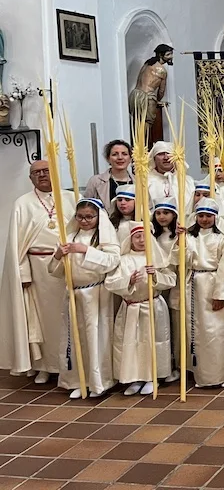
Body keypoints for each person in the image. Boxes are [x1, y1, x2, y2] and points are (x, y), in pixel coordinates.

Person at [0, 161, 78, 382]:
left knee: (69, 318)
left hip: (68, 268)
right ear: (30, 178)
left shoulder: (71, 198)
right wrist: (22, 273)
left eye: (46, 171)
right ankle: (45, 365)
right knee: (41, 319)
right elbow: (17, 244)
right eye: (36, 173)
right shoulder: (22, 204)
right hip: (38, 271)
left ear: (55, 173)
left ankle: (70, 364)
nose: (42, 175)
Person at [49, 198, 121, 399]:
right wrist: (57, 255)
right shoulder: (69, 236)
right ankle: (78, 379)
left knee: (96, 337)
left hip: (96, 293)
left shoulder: (104, 238)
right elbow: (54, 271)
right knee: (76, 337)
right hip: (74, 293)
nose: (85, 220)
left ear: (99, 217)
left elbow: (113, 261)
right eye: (80, 217)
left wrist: (86, 251)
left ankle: (99, 381)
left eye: (89, 217)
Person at [107, 221, 175, 396]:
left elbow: (170, 280)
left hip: (152, 305)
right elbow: (111, 282)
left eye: (145, 237)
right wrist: (128, 282)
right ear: (130, 239)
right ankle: (134, 377)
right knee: (132, 344)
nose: (141, 241)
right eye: (137, 237)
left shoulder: (157, 258)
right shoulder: (123, 260)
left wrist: (156, 276)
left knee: (153, 343)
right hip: (131, 307)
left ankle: (153, 377)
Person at [182, 199, 224, 388]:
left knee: (216, 331)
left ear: (215, 217)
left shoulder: (222, 239)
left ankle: (221, 374)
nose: (204, 220)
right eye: (201, 216)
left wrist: (220, 294)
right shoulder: (189, 237)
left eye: (208, 216)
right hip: (194, 284)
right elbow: (180, 260)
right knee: (197, 331)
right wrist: (180, 243)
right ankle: (202, 375)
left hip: (213, 283)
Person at [151, 197, 183, 384]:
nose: (162, 217)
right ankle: (161, 365)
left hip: (175, 283)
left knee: (174, 325)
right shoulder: (152, 235)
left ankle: (176, 362)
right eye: (159, 213)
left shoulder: (178, 236)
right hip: (156, 284)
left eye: (166, 213)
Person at [129, 44, 173, 144]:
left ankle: (136, 150)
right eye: (168, 54)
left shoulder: (147, 64)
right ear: (161, 55)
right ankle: (143, 152)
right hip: (146, 97)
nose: (171, 57)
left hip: (135, 95)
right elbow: (161, 91)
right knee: (146, 128)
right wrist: (157, 100)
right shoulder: (161, 70)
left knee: (136, 125)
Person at [84, 139, 134, 210]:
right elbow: (86, 207)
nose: (120, 157)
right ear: (108, 159)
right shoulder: (95, 181)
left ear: (130, 158)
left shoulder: (138, 182)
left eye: (124, 154)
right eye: (115, 154)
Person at [148, 141, 195, 209]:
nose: (166, 157)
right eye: (160, 154)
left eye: (169, 153)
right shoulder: (146, 182)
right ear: (154, 158)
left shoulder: (188, 181)